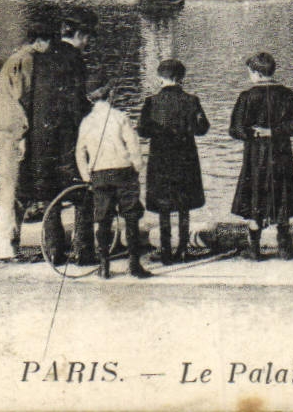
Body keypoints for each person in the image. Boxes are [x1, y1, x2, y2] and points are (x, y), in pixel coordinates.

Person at [21, 17, 97, 266]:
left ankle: (53, 250)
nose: (87, 43)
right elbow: (76, 102)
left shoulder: (41, 56)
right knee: (81, 191)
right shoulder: (74, 58)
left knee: (48, 194)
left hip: (41, 138)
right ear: (79, 35)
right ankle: (83, 250)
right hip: (66, 138)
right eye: (87, 38)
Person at [0, 22, 55, 261]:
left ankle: (5, 240)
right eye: (49, 43)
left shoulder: (16, 57)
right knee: (11, 186)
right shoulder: (27, 59)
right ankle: (4, 246)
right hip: (11, 129)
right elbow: (23, 98)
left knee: (13, 185)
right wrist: (23, 135)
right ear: (39, 41)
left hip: (2, 125)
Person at [229, 52, 293, 260]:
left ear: (255, 73)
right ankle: (284, 246)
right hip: (281, 154)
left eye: (250, 73)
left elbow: (235, 129)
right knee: (282, 194)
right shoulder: (287, 94)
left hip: (256, 155)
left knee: (255, 194)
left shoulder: (246, 97)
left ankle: (254, 248)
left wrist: (253, 132)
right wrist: (274, 132)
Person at [75, 77, 151, 279]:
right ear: (109, 95)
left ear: (91, 99)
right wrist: (137, 166)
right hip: (124, 172)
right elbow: (133, 145)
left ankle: (104, 266)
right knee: (131, 218)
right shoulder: (120, 117)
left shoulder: (86, 122)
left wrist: (86, 176)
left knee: (103, 220)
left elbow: (79, 152)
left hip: (99, 174)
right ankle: (134, 265)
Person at [137, 58, 210, 265]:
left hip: (160, 159)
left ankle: (166, 251)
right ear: (181, 78)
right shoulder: (192, 100)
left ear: (160, 77)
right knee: (184, 205)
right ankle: (184, 249)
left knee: (163, 206)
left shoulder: (151, 102)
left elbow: (142, 130)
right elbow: (203, 128)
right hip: (185, 158)